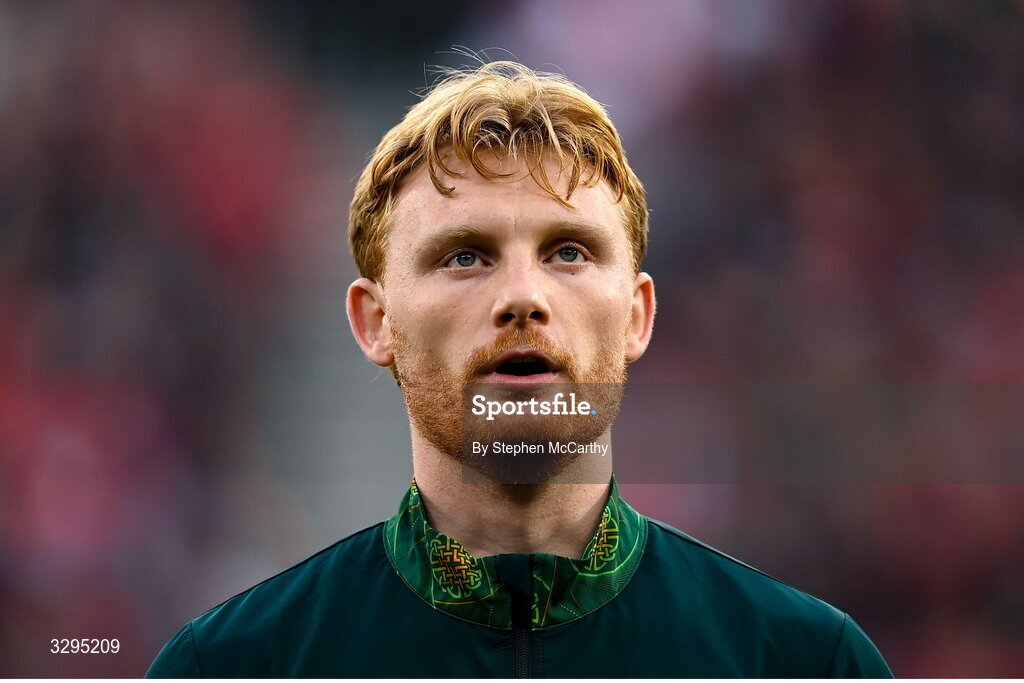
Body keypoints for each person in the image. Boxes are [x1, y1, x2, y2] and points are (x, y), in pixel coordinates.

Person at [146, 61, 892, 678]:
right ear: (376, 323)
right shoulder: (232, 665)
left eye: (568, 251)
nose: (522, 298)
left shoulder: (804, 661)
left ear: (637, 315)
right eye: (465, 255)